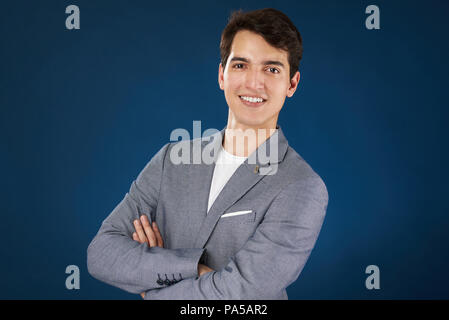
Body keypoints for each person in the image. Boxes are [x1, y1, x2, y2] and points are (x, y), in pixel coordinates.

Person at [87, 8, 329, 299]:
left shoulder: (302, 187)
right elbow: (101, 253)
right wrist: (195, 269)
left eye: (271, 69)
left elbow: (242, 295)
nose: (254, 83)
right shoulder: (171, 161)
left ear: (292, 84)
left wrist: (151, 287)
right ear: (221, 75)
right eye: (241, 65)